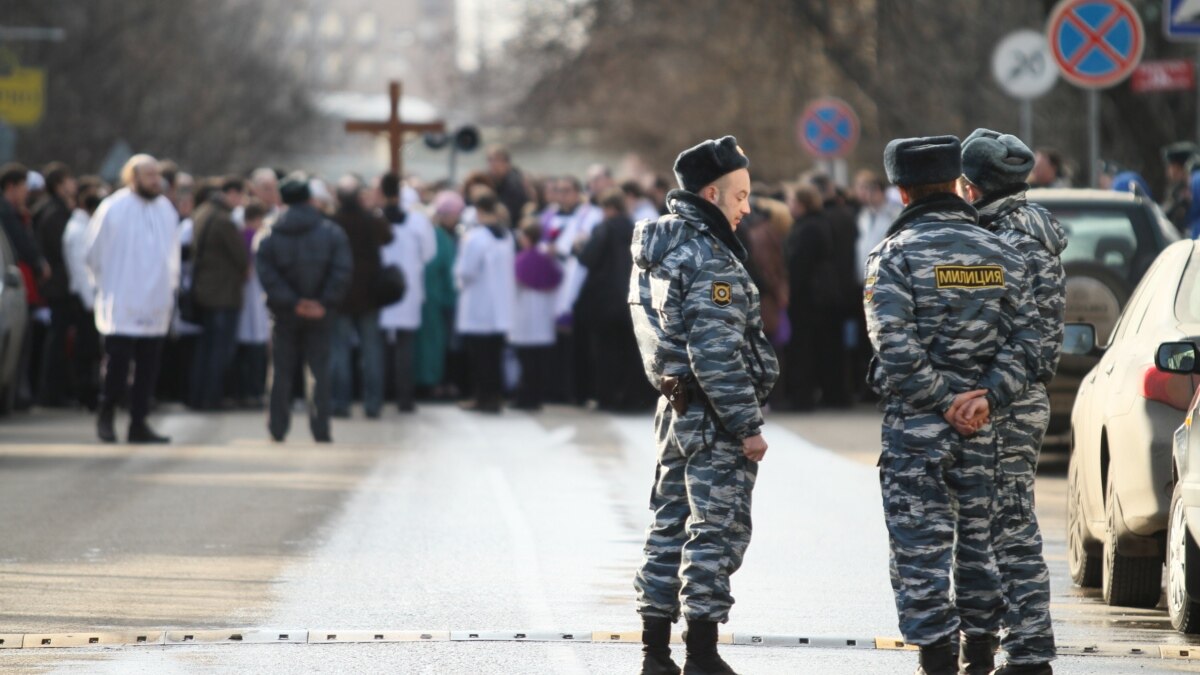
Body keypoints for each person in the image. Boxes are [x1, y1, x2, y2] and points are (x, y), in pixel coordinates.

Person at [863, 135, 1040, 675]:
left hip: (917, 431)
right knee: (981, 546)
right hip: (985, 428)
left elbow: (893, 347)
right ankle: (980, 657)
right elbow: (1029, 343)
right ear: (956, 185)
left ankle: (937, 662)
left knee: (920, 551)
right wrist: (984, 398)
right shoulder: (1003, 253)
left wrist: (942, 403)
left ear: (902, 191)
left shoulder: (894, 256)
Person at [629, 136, 778, 675]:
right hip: (713, 415)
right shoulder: (708, 255)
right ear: (711, 193)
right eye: (739, 196)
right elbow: (715, 355)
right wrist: (747, 425)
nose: (746, 207)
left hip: (675, 409)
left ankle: (654, 651)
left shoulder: (663, 246)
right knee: (715, 530)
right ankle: (702, 654)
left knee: (669, 522)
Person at [959, 129, 1065, 675]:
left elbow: (1030, 338)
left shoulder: (1006, 238)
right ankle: (1012, 641)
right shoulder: (1030, 227)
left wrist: (988, 395)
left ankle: (1028, 649)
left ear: (972, 187)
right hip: (1020, 397)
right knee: (1006, 521)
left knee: (1007, 525)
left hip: (1006, 400)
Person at [85, 155, 180, 443]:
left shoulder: (165, 209)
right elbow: (93, 253)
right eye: (149, 175)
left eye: (157, 174)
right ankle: (107, 414)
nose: (155, 180)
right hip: (122, 300)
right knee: (117, 367)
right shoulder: (113, 207)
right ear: (133, 177)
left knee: (148, 370)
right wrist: (104, 286)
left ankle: (138, 423)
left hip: (155, 303)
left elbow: (172, 255)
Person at [255, 174, 352, 443]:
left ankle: (277, 428)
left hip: (284, 314)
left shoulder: (270, 233)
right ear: (310, 199)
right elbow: (341, 271)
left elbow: (266, 274)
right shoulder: (331, 232)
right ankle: (321, 429)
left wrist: (293, 302)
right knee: (319, 370)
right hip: (319, 313)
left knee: (281, 372)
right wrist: (322, 302)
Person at [577, 189, 649, 412]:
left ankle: (607, 396)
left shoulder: (603, 229)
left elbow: (588, 259)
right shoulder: (637, 229)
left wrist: (578, 247)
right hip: (632, 298)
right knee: (630, 351)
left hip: (604, 300)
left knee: (604, 351)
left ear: (608, 208)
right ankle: (630, 398)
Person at [329, 175, 393, 418]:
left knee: (340, 350)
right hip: (369, 294)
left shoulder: (334, 222)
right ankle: (373, 402)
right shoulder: (371, 221)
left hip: (342, 294)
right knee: (371, 351)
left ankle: (341, 402)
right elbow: (388, 237)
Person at [378, 171, 436, 412]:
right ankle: (404, 398)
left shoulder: (377, 218)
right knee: (405, 345)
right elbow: (429, 252)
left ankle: (380, 395)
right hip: (408, 286)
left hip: (381, 285)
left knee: (379, 344)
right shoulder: (418, 222)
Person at [189, 176, 248, 410]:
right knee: (218, 351)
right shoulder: (224, 220)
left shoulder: (202, 212)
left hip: (204, 290)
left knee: (204, 349)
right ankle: (211, 397)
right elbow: (241, 257)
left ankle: (197, 396)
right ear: (231, 193)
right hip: (222, 293)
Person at [454, 192, 514, 414]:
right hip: (500, 307)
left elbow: (465, 271)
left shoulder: (475, 237)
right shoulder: (506, 235)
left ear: (478, 211)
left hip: (479, 306)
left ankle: (482, 397)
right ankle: (494, 397)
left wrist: (459, 280)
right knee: (494, 357)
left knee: (479, 357)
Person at [784, 185, 835, 410]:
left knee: (804, 347)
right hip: (815, 296)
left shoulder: (808, 228)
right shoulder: (816, 224)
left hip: (806, 297)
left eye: (793, 201)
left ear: (803, 203)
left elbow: (799, 265)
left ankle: (803, 397)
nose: (789, 206)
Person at [31, 162, 77, 407]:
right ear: (59, 184)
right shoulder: (55, 213)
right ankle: (51, 392)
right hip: (58, 285)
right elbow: (63, 250)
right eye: (69, 180)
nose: (74, 185)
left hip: (58, 284)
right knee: (56, 342)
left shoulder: (51, 209)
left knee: (57, 340)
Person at [509, 217, 561, 411]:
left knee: (526, 360)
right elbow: (556, 280)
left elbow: (515, 285)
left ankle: (525, 397)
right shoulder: (546, 259)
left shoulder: (522, 259)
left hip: (524, 314)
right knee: (538, 361)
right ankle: (537, 396)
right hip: (543, 314)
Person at [414, 190, 461, 398]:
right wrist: (450, 299)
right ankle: (431, 381)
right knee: (434, 344)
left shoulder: (427, 236)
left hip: (421, 299)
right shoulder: (441, 238)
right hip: (436, 300)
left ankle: (420, 380)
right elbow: (449, 270)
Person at [62, 178, 104, 410]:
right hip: (83, 299)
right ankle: (85, 394)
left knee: (89, 350)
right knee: (85, 351)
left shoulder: (83, 227)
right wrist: (90, 303)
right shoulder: (78, 230)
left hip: (87, 298)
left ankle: (88, 392)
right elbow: (80, 270)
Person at [234, 201, 271, 408]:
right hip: (253, 296)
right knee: (255, 345)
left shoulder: (240, 235)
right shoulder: (252, 236)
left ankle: (246, 391)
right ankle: (253, 391)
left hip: (247, 297)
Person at [486, 145, 530, 225]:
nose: (493, 164)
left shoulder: (516, 183)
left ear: (507, 163)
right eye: (490, 160)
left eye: (496, 160)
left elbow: (512, 211)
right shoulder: (485, 180)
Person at [1162, 142, 1196, 235]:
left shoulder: (1187, 187)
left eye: (1170, 166)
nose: (1168, 170)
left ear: (1177, 168)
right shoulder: (1176, 188)